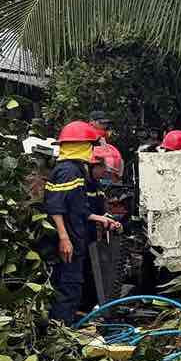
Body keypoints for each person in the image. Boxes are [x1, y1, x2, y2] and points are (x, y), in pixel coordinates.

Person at [44, 121, 122, 323]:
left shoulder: (75, 170)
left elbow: (78, 209)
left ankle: (67, 328)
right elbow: (55, 207)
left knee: (73, 286)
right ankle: (61, 332)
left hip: (75, 238)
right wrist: (64, 238)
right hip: (68, 240)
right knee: (68, 287)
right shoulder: (68, 171)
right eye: (89, 145)